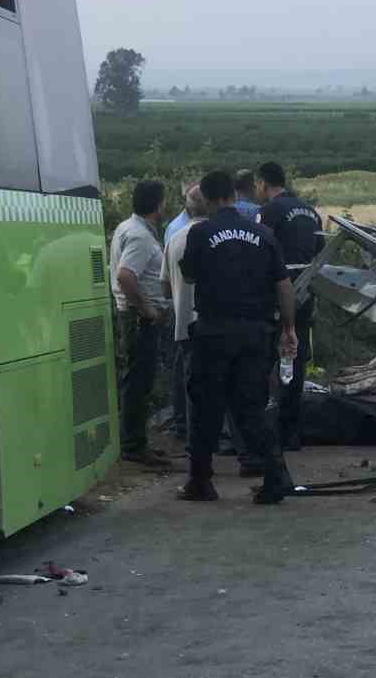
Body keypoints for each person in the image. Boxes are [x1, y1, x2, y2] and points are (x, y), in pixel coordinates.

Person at [178, 170, 299, 503]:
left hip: (214, 331)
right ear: (232, 194)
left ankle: (200, 481)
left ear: (207, 198)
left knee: (206, 407)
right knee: (252, 406)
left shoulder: (201, 233)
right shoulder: (263, 233)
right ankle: (276, 476)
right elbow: (284, 285)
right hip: (256, 333)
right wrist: (288, 329)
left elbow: (188, 276)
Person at [255, 161, 325, 452]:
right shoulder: (311, 212)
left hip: (276, 295)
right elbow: (321, 255)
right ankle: (290, 431)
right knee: (296, 359)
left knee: (263, 359)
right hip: (306, 294)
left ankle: (263, 431)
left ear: (262, 183)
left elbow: (258, 251)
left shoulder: (269, 212)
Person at [110, 180, 171, 469]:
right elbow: (125, 276)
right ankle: (133, 445)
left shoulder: (128, 228)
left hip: (134, 315)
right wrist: (147, 309)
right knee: (138, 380)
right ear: (158, 204)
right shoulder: (140, 237)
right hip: (139, 319)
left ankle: (137, 441)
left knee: (137, 379)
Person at [161, 184, 209, 452]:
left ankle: (190, 438)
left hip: (185, 325)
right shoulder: (220, 236)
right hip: (217, 323)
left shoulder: (175, 238)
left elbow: (165, 286)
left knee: (189, 382)